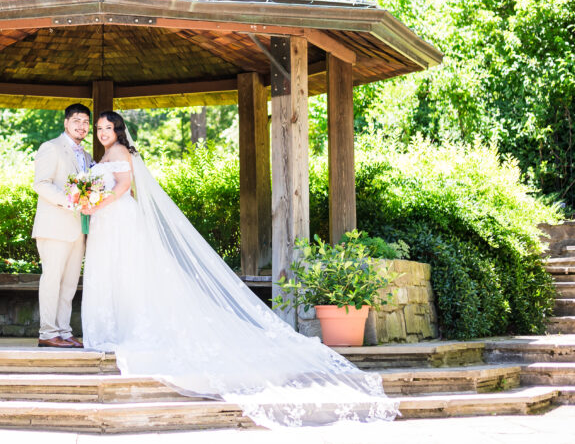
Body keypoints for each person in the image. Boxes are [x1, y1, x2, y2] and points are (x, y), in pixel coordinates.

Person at [79, 110, 399, 427]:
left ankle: (127, 327)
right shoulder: (103, 155)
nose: (102, 132)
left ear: (118, 130)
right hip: (106, 222)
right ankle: (112, 326)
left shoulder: (120, 152)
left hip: (119, 219)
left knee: (128, 274)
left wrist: (96, 203)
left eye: (108, 128)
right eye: (99, 128)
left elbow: (123, 186)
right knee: (111, 274)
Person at [31, 103, 93, 348]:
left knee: (69, 283)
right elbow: (41, 184)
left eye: (86, 122)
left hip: (78, 229)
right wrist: (71, 201)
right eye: (77, 120)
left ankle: (64, 331)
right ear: (66, 123)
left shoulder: (87, 156)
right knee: (52, 279)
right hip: (54, 226)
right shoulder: (51, 148)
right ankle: (47, 333)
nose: (82, 126)